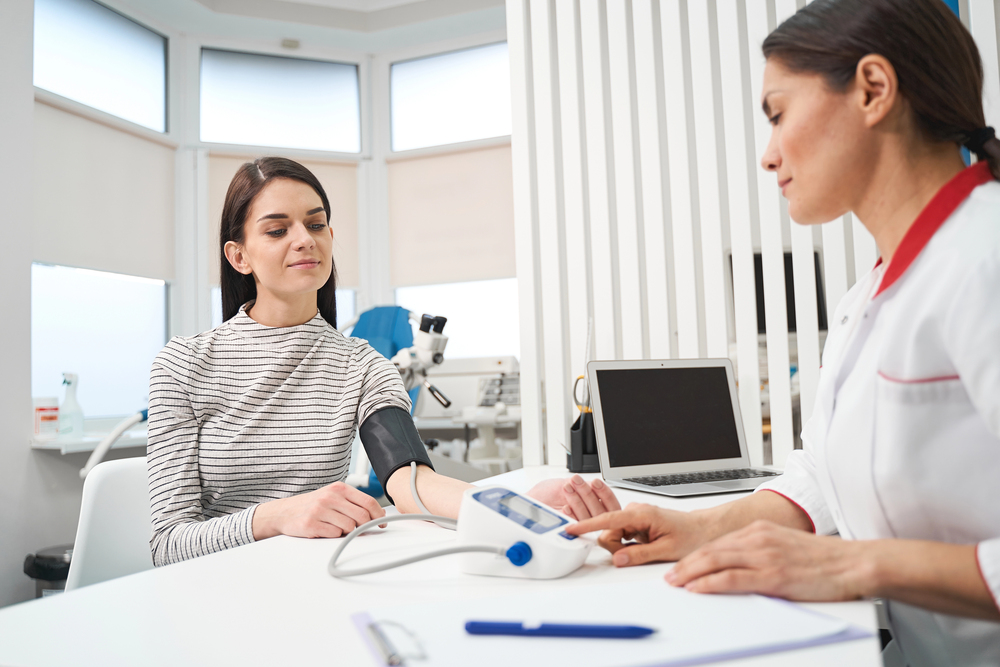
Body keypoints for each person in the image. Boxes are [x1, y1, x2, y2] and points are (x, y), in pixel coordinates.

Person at [566, 0, 1000, 664]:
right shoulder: (869, 297)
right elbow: (826, 475)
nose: (768, 156)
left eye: (777, 113)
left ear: (873, 90)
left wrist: (851, 566)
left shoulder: (985, 255)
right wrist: (696, 528)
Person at [147, 157, 619, 567]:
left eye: (315, 225)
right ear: (239, 256)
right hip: (211, 586)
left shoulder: (362, 365)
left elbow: (410, 482)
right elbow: (168, 543)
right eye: (276, 230)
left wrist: (517, 505)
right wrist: (278, 516)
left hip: (314, 576)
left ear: (330, 236)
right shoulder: (184, 363)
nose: (303, 240)